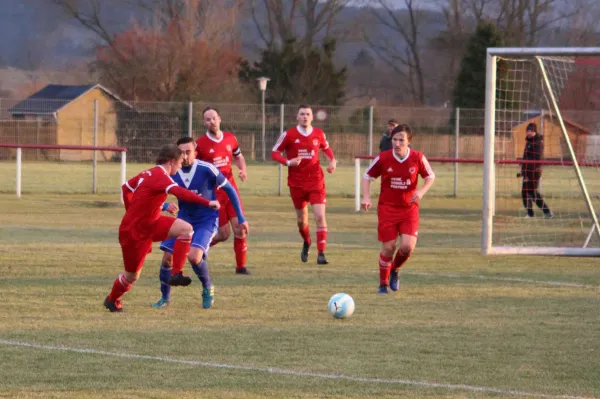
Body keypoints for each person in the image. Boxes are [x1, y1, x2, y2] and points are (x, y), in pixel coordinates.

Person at [104, 144, 220, 313]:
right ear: (172, 162)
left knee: (186, 229)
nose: (181, 165)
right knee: (131, 276)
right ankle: (112, 300)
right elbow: (181, 193)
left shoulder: (148, 173)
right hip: (134, 232)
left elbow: (126, 189)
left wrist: (137, 211)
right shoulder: (161, 176)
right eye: (180, 162)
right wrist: (207, 202)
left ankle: (176, 273)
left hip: (152, 223)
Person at [152, 137, 249, 309]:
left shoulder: (207, 169)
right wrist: (166, 205)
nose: (185, 156)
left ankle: (207, 287)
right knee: (167, 258)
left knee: (194, 257)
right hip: (183, 219)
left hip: (206, 219)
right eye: (181, 153)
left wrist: (241, 217)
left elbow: (230, 190)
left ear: (195, 152)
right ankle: (165, 298)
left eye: (188, 152)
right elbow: (152, 194)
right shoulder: (173, 171)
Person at [361, 124, 435, 294]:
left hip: (409, 209)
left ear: (409, 141)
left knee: (407, 247)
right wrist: (366, 196)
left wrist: (421, 192)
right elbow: (367, 176)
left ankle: (394, 269)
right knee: (388, 248)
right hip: (387, 208)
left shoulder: (417, 157)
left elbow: (430, 176)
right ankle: (382, 284)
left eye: (401, 140)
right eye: (395, 139)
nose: (397, 143)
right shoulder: (383, 158)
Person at [271, 104, 337, 264]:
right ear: (297, 117)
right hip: (296, 183)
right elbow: (274, 153)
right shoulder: (289, 135)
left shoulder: (319, 134)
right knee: (302, 220)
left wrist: (332, 161)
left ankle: (321, 253)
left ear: (312, 117)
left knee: (320, 216)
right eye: (302, 114)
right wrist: (288, 162)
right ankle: (307, 241)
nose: (305, 116)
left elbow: (327, 149)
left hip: (316, 181)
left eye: (308, 114)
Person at [195, 107, 251, 275]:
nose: (211, 121)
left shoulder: (230, 138)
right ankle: (196, 250)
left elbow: (239, 156)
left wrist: (243, 170)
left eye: (213, 118)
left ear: (219, 119)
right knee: (223, 234)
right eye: (207, 119)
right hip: (213, 194)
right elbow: (195, 167)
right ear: (204, 123)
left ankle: (241, 267)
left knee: (240, 229)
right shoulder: (200, 144)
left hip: (230, 190)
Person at [518, 122, 553, 218]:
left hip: (534, 172)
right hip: (528, 171)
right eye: (527, 131)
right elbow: (526, 157)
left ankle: (546, 212)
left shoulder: (538, 143)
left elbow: (537, 159)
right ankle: (531, 213)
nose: (528, 133)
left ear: (534, 132)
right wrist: (523, 171)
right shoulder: (529, 142)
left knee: (531, 192)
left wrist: (526, 168)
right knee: (526, 192)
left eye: (531, 131)